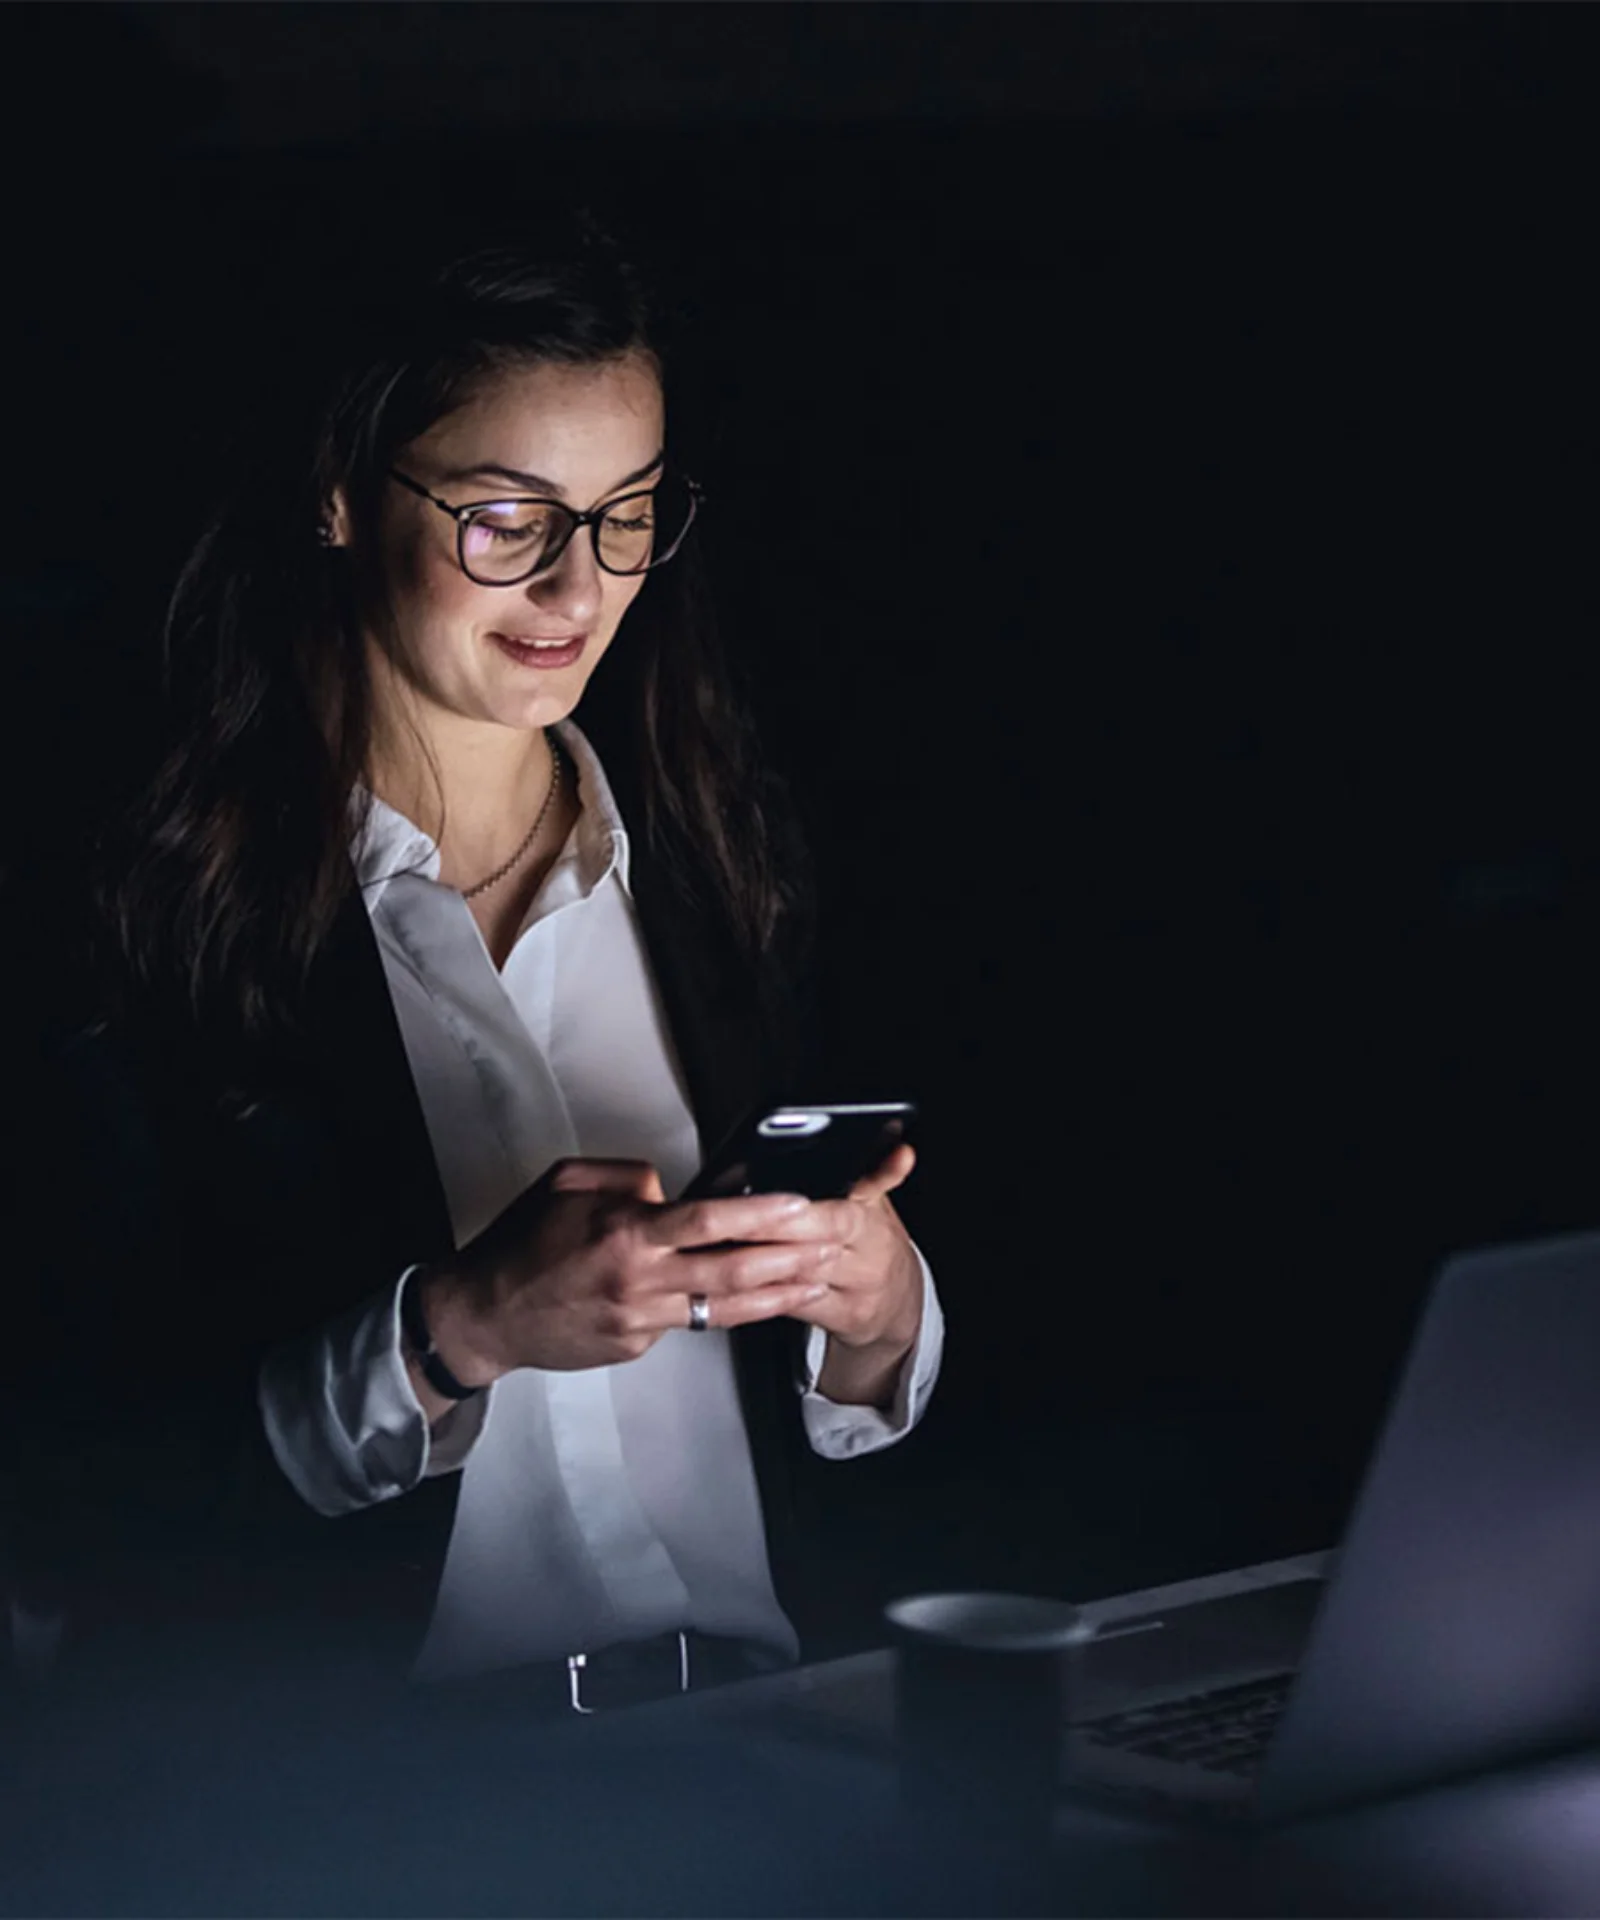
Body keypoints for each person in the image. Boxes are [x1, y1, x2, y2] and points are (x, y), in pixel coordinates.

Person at [4, 222, 943, 1722]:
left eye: (629, 513)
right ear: (337, 495)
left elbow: (938, 1433)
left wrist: (883, 1315)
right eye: (509, 519)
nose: (582, 586)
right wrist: (454, 1338)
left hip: (759, 1746)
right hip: (367, 1810)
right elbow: (74, 1518)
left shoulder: (721, 854)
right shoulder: (145, 922)